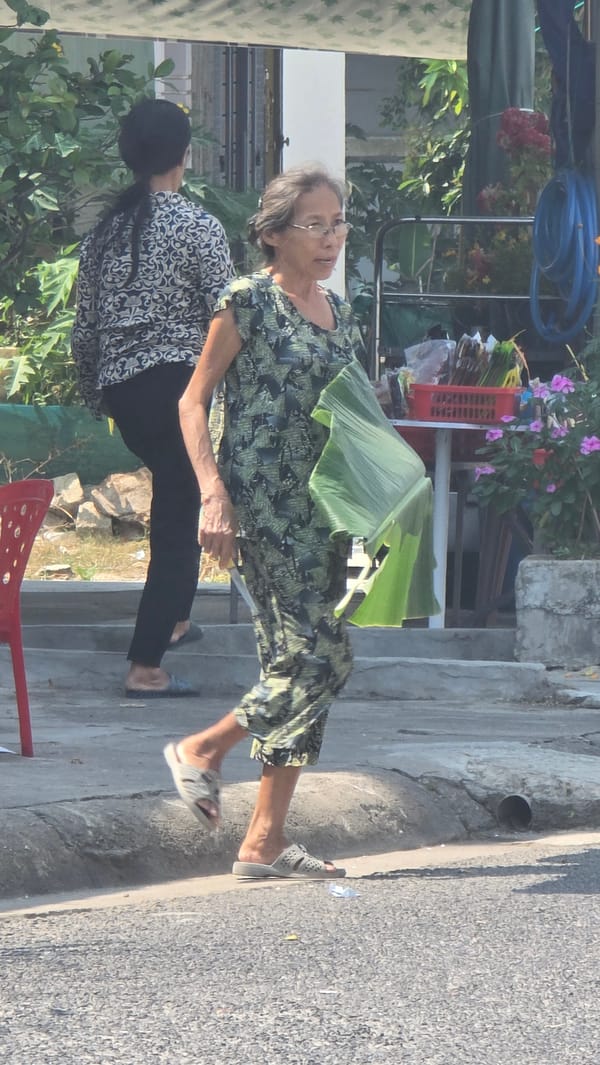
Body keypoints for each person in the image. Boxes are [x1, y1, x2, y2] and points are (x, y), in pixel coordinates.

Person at [164, 164, 365, 879]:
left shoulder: (342, 312)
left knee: (294, 664)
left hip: (330, 509)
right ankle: (204, 748)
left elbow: (356, 414)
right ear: (275, 234)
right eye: (315, 225)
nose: (331, 238)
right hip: (263, 506)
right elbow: (193, 401)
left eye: (338, 224)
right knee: (323, 656)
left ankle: (264, 842)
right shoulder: (246, 301)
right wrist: (212, 495)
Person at [71, 97, 235, 698]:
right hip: (179, 389)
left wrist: (99, 395)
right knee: (178, 515)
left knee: (176, 499)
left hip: (124, 392)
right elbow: (229, 314)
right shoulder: (198, 226)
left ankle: (175, 621)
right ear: (185, 154)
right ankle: (147, 665)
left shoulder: (101, 236)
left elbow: (84, 331)